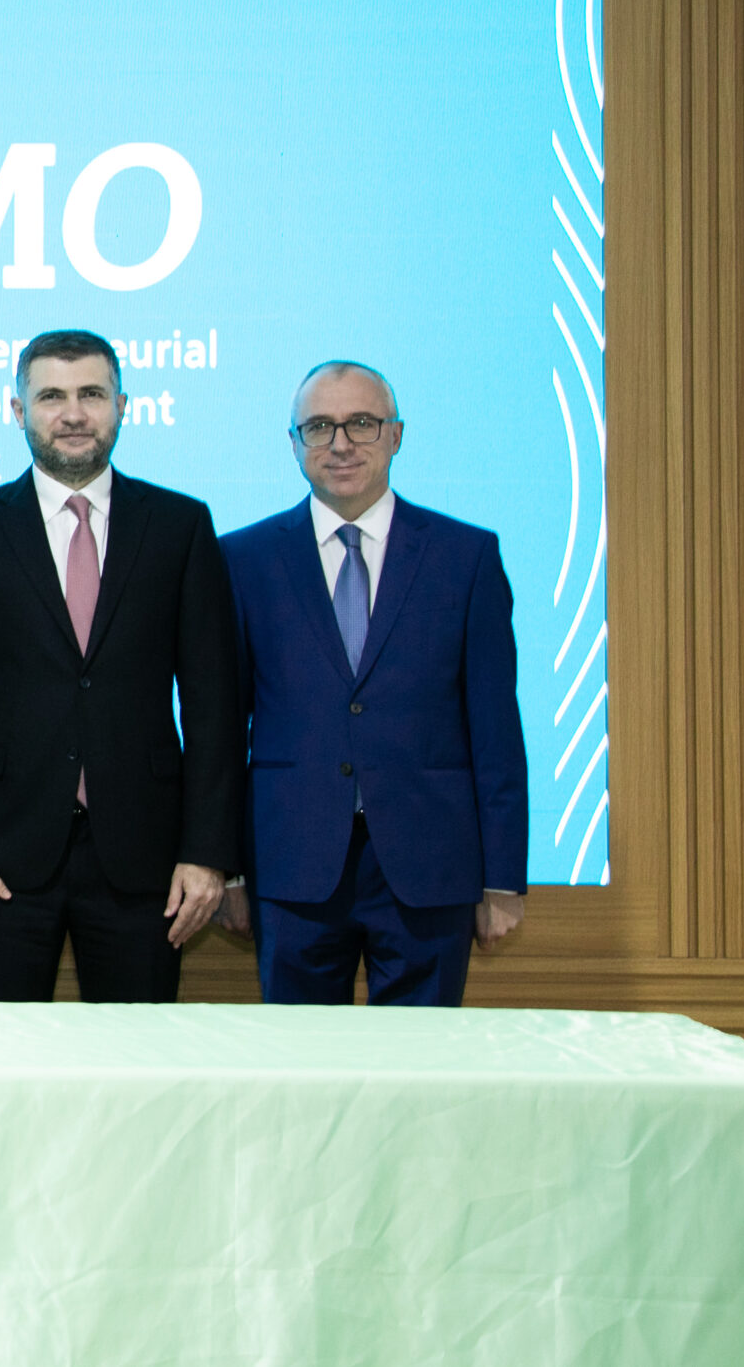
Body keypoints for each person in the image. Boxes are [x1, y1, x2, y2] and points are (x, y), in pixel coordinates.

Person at [0, 329, 245, 1003]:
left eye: (91, 394)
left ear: (123, 405)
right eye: (51, 397)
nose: (72, 414)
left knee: (137, 1057)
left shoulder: (180, 526)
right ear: (18, 411)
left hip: (148, 859)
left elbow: (214, 706)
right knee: (5, 1053)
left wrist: (208, 853)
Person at [216, 361, 528, 1005]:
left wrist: (502, 877)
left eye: (361, 423)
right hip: (292, 861)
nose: (341, 444)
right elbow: (221, 729)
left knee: (421, 1061)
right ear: (294, 443)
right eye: (319, 427)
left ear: (396, 434)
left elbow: (496, 729)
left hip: (430, 863)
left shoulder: (464, 557)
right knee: (300, 1059)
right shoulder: (243, 560)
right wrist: (229, 870)